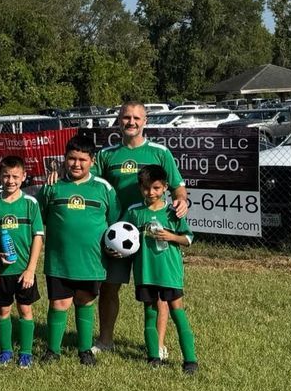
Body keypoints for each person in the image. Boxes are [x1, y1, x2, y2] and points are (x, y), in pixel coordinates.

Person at [91, 101, 187, 359]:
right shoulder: (106, 155)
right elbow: (91, 184)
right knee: (109, 287)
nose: (131, 122)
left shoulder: (160, 153)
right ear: (118, 121)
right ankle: (106, 339)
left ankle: (158, 344)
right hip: (117, 235)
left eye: (136, 118)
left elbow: (177, 188)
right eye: (125, 117)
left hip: (151, 234)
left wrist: (182, 201)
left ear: (145, 121)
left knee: (158, 291)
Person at [37, 135, 120, 366]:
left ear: (92, 161)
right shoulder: (53, 187)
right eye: (72, 159)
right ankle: (52, 351)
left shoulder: (103, 188)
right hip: (59, 260)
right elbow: (38, 220)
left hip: (91, 260)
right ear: (64, 159)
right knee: (58, 304)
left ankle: (85, 350)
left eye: (82, 160)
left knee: (85, 301)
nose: (76, 164)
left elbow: (114, 223)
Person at [123, 165, 198, 374]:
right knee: (149, 312)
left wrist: (172, 237)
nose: (151, 193)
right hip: (145, 272)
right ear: (140, 188)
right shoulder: (134, 212)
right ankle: (153, 356)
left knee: (177, 311)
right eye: (146, 188)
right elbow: (123, 236)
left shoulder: (172, 212)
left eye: (156, 188)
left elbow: (189, 238)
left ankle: (190, 360)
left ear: (165, 187)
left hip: (169, 272)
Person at [0, 155, 44, 369]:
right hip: (1, 271)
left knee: (25, 310)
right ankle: (5, 351)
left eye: (15, 176)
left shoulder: (30, 203)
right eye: (6, 176)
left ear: (24, 177)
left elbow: (38, 236)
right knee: (3, 310)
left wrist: (31, 269)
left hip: (23, 271)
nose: (10, 181)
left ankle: (26, 353)